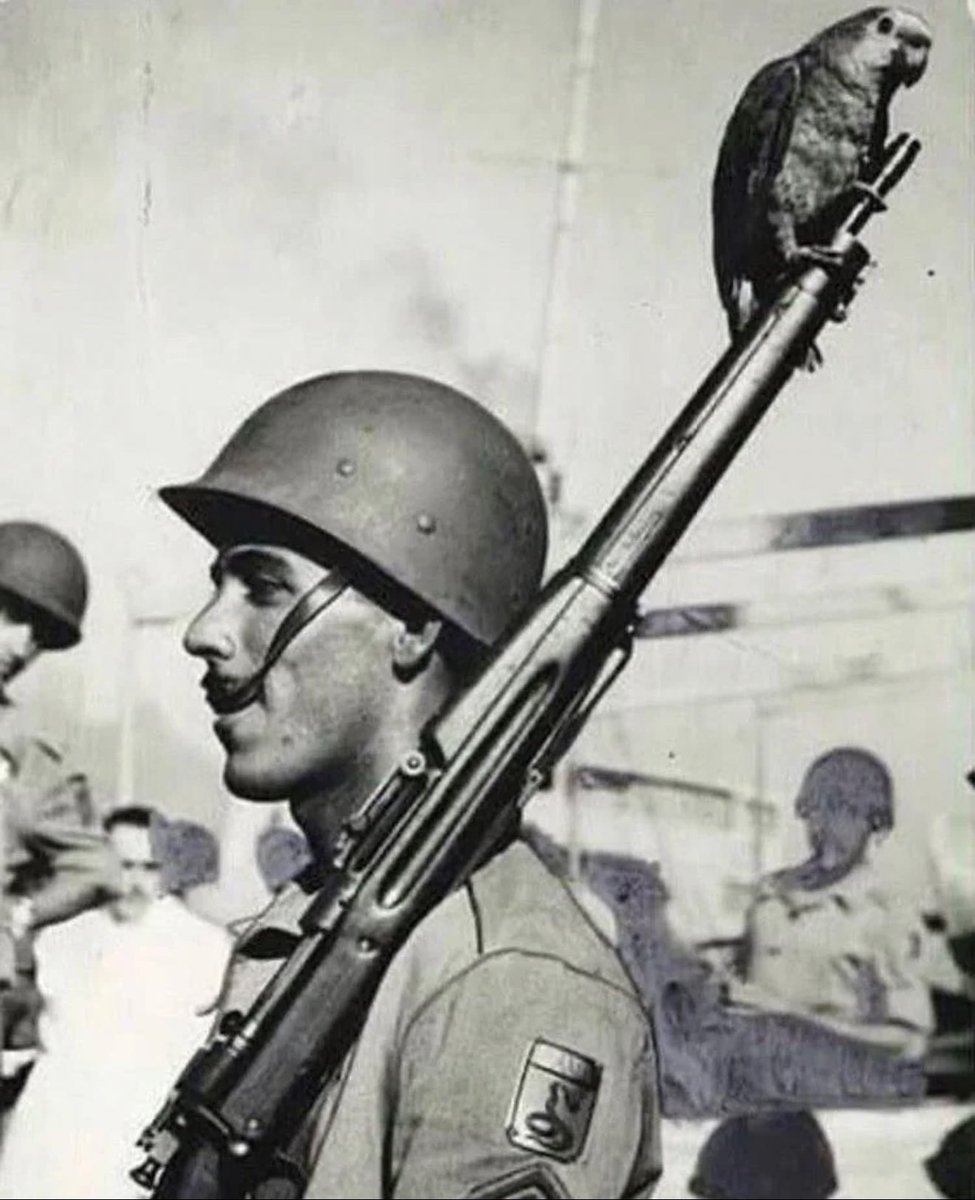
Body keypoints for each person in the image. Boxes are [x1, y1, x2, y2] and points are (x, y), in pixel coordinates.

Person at [142, 371, 662, 1198]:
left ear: (414, 628)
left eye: (264, 587)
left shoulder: (506, 982)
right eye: (217, 586)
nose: (205, 632)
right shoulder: (319, 920)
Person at [0, 805, 230, 1199]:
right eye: (121, 866)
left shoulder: (208, 948)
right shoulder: (60, 936)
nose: (133, 882)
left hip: (127, 1152)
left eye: (148, 866)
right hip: (46, 1147)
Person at [0, 522, 121, 1100]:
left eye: (39, 632)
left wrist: (17, 914)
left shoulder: (24, 755)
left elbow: (97, 868)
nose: (22, 645)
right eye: (10, 612)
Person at [732, 747, 933, 1058]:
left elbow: (907, 1042)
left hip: (832, 1096)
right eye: (816, 809)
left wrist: (793, 1019)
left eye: (845, 811)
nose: (824, 826)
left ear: (877, 825)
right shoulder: (769, 897)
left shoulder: (887, 915)